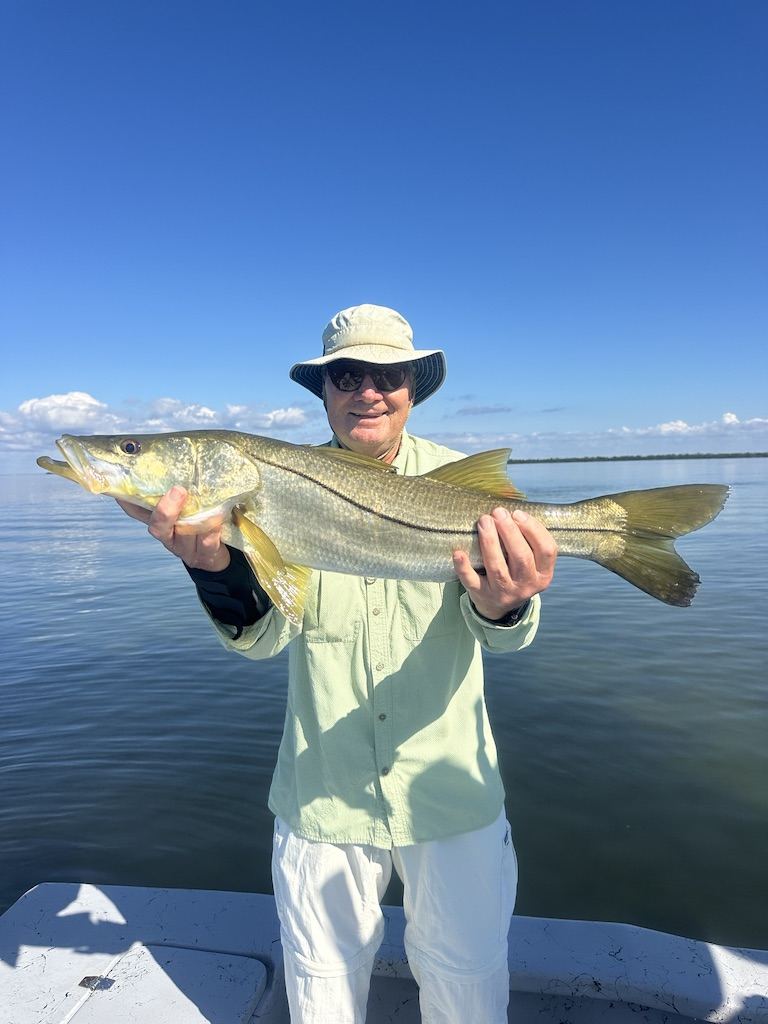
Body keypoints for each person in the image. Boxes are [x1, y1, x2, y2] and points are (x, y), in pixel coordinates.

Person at [118, 304, 557, 1024]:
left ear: (414, 387)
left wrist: (506, 603)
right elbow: (265, 640)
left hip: (453, 798)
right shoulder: (270, 486)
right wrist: (216, 572)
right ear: (323, 391)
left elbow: (507, 638)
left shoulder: (462, 482)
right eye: (347, 374)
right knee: (321, 998)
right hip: (322, 802)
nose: (368, 390)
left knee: (469, 993)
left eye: (389, 374)